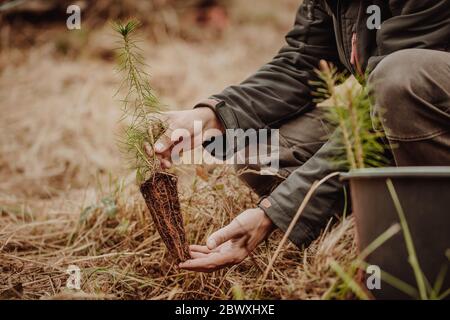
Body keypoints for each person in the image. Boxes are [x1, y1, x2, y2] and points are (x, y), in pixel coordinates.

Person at [147, 0, 450, 273]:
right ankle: (382, 209)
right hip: (394, 113)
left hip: (415, 100)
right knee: (259, 155)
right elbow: (302, 63)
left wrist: (275, 211)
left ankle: (429, 245)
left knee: (400, 79)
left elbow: (387, 110)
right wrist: (211, 116)